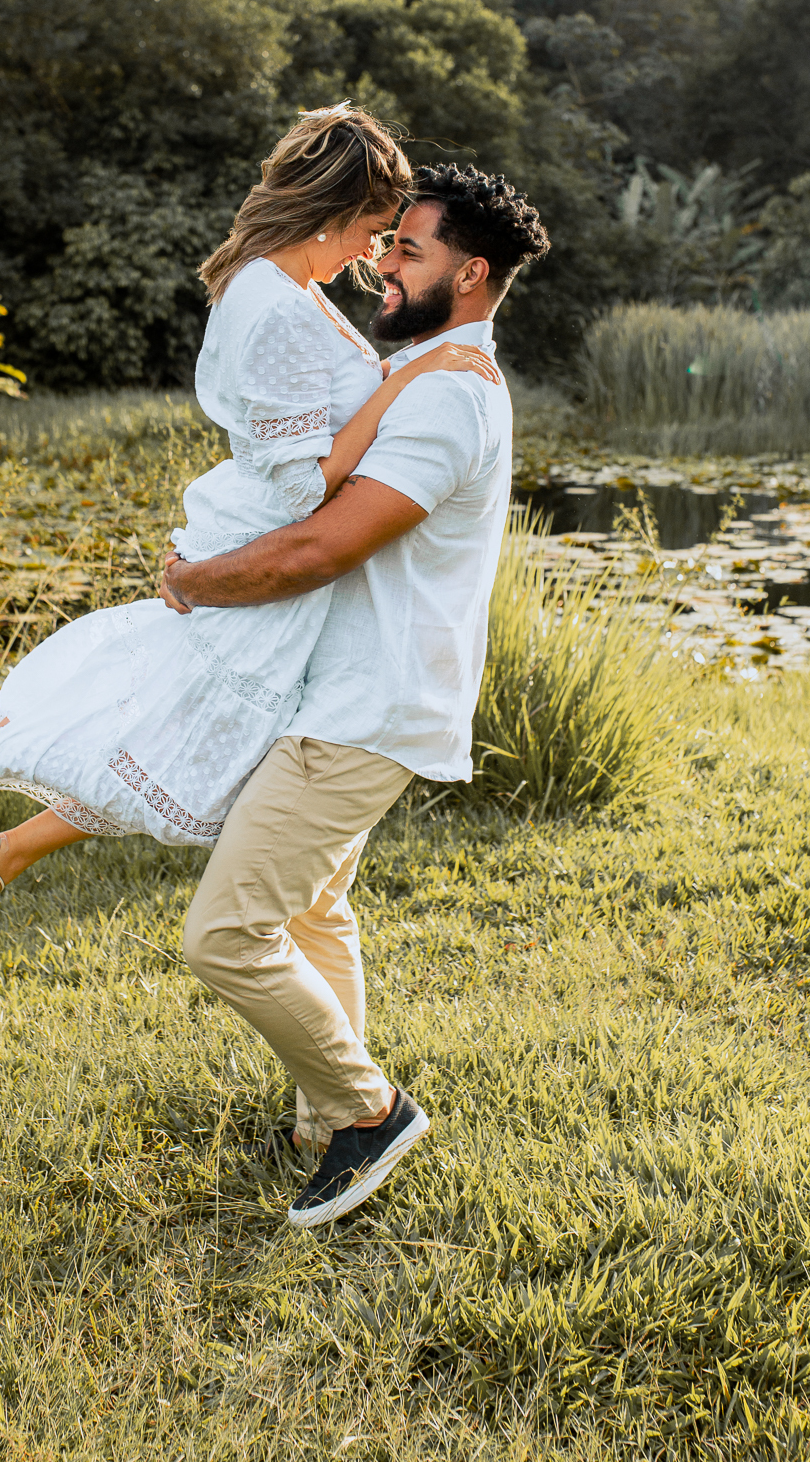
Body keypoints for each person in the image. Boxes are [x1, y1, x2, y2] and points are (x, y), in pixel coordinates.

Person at [0, 107, 500, 958]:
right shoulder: (278, 309)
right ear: (328, 211)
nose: (373, 253)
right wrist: (409, 378)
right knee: (198, 744)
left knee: (199, 747)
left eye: (394, 241)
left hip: (273, 564)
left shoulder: (289, 292)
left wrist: (404, 373)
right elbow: (301, 492)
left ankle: (0, 844)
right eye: (369, 229)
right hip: (275, 553)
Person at [159, 162, 550, 1226]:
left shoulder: (449, 399)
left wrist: (194, 581)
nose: (382, 259)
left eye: (408, 249)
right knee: (316, 906)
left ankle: (369, 1110)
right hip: (345, 694)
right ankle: (324, 1118)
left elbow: (321, 549)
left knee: (227, 935)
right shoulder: (423, 372)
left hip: (366, 710)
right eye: (386, 241)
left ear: (470, 275)